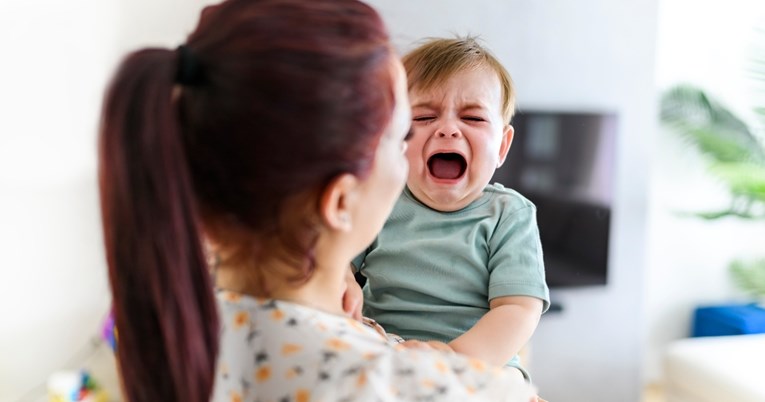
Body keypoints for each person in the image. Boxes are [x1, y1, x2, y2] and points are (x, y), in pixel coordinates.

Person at [98, 1, 536, 402]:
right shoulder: (412, 387)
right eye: (403, 131)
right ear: (340, 202)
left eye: (472, 117)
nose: (445, 132)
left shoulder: (172, 339)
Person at [350, 36, 551, 382]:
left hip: (483, 364)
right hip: (389, 352)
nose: (447, 129)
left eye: (472, 118)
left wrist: (456, 359)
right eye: (424, 116)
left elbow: (518, 309)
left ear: (502, 146)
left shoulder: (508, 215)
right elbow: (334, 263)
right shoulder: (380, 201)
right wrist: (346, 289)